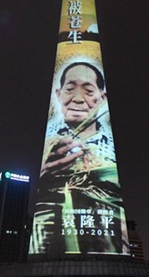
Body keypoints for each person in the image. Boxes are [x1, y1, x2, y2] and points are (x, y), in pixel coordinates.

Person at [30, 61, 127, 256]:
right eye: (70, 89)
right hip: (50, 246)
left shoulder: (110, 153)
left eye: (89, 91)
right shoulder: (48, 146)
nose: (78, 99)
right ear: (58, 95)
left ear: (102, 98)